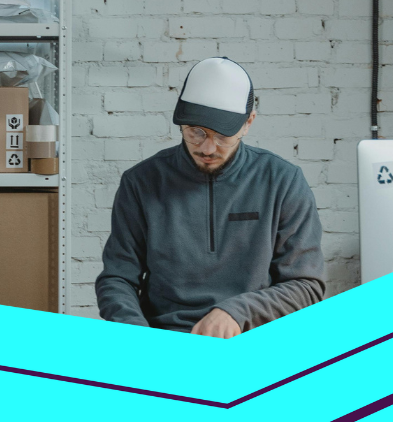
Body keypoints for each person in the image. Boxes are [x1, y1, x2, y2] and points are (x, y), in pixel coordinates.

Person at [95, 57, 325, 338]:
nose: (207, 147)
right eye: (196, 132)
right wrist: (139, 339)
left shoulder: (283, 181)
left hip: (253, 337)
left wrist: (238, 312)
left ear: (248, 123)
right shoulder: (141, 182)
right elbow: (118, 278)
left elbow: (306, 286)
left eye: (222, 135)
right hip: (166, 339)